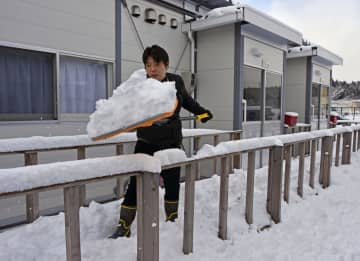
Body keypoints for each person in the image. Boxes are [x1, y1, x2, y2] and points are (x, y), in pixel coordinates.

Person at [109, 45, 213, 239]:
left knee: (172, 182)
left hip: (170, 141)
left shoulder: (176, 82)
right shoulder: (139, 86)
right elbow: (124, 110)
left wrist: (201, 112)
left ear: (166, 64)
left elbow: (186, 101)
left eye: (156, 64)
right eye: (148, 65)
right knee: (135, 183)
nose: (152, 69)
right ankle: (124, 224)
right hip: (146, 141)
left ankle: (171, 219)